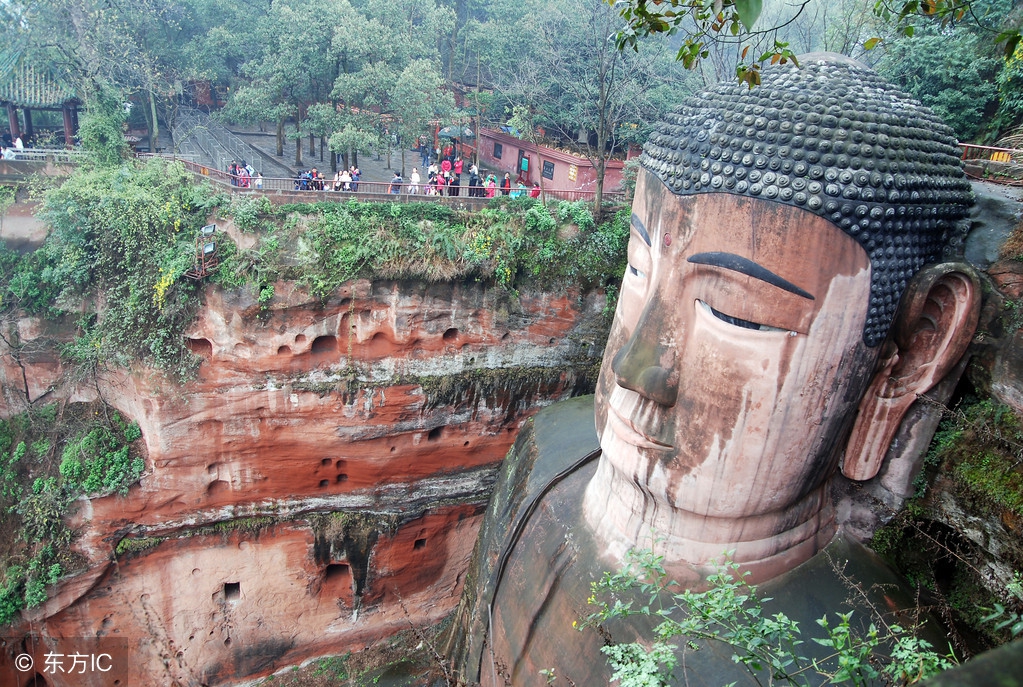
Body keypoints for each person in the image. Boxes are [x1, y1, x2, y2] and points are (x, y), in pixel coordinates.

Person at [450, 53, 980, 686]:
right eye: (636, 270)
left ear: (912, 354)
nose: (635, 367)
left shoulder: (873, 661)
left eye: (737, 314)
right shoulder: (545, 453)